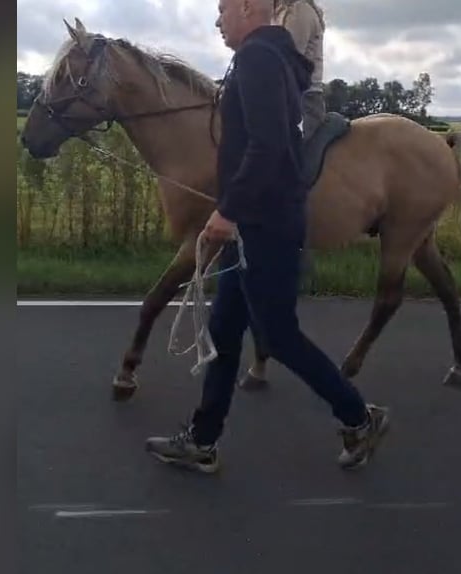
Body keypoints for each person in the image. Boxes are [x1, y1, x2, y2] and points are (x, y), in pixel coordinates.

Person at [144, 0, 390, 474]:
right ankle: (202, 440)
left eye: (222, 10)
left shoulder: (259, 58)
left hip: (265, 225)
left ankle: (359, 417)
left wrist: (227, 211)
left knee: (278, 336)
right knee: (223, 331)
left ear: (249, 8)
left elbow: (269, 144)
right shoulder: (269, 57)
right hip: (256, 224)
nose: (217, 21)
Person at [273, 0, 326, 140]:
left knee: (297, 155)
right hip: (292, 96)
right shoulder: (280, 12)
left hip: (304, 100)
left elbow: (288, 62)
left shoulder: (300, 11)